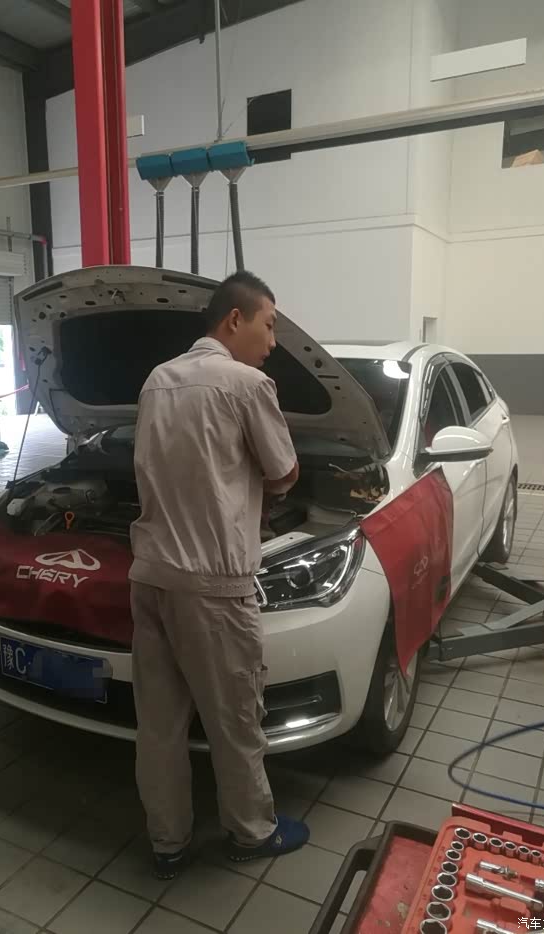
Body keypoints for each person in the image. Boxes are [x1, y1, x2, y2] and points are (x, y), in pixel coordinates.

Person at [129, 270, 310, 879]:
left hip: (150, 575)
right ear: (235, 319)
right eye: (269, 325)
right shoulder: (248, 384)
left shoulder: (157, 379)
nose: (273, 342)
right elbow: (284, 473)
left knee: (159, 725)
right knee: (235, 721)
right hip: (213, 585)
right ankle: (251, 832)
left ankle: (167, 843)